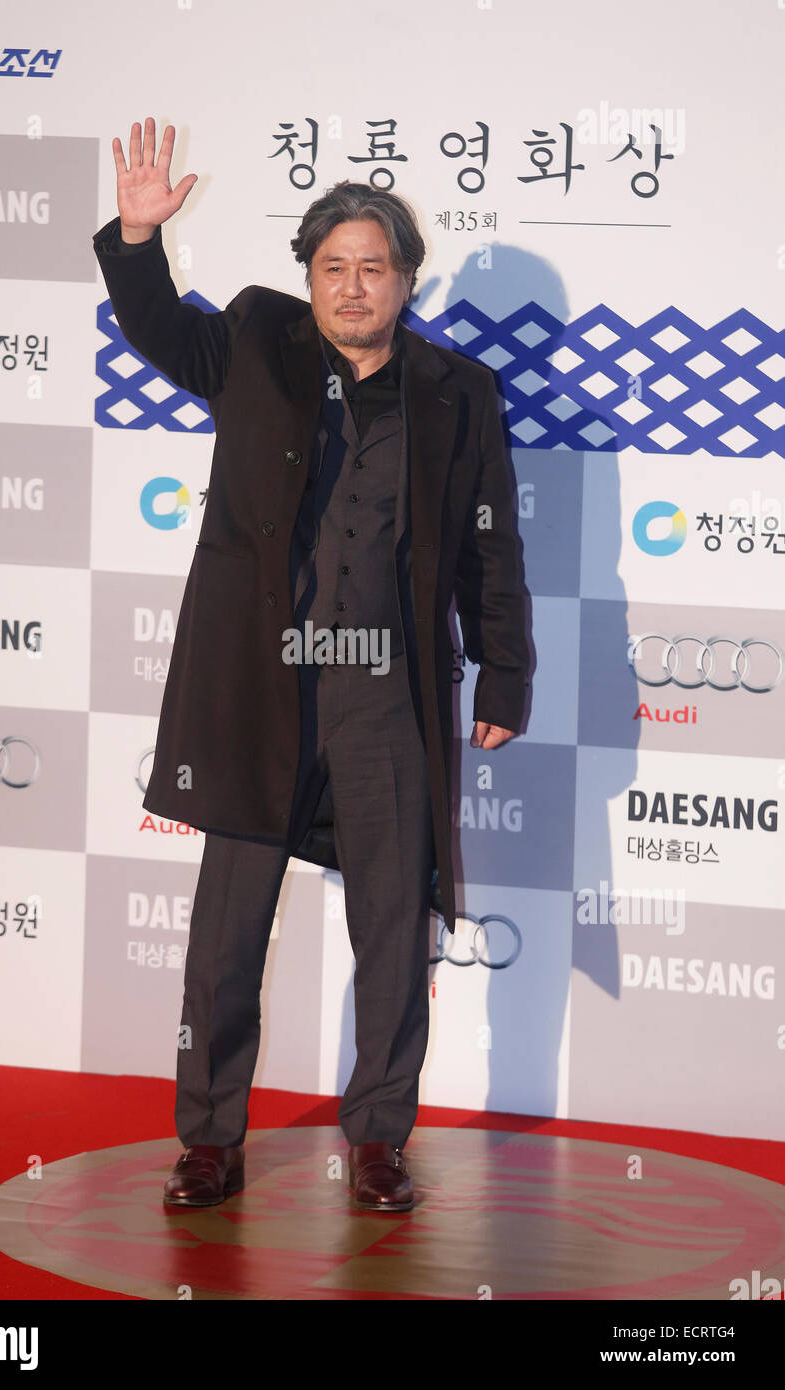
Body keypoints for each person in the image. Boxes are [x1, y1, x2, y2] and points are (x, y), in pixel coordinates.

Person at [93, 118, 530, 1212]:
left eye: (371, 267)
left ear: (405, 280)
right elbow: (154, 327)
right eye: (331, 267)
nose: (350, 287)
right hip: (259, 693)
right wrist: (138, 240)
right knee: (225, 939)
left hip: (387, 698)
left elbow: (490, 542)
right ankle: (208, 1140)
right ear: (308, 277)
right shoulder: (253, 344)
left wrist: (505, 674)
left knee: (393, 928)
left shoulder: (458, 391)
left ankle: (378, 1139)